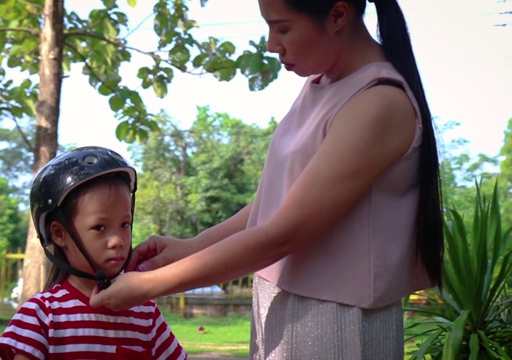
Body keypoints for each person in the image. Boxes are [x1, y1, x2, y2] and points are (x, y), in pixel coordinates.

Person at [90, 0, 444, 359]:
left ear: (338, 15)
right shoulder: (320, 85)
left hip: (336, 322)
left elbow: (284, 233)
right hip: (283, 306)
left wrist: (151, 284)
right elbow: (271, 205)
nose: (272, 45)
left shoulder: (378, 102)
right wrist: (191, 246)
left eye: (283, 28)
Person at [0, 146, 187, 360]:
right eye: (100, 228)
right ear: (59, 233)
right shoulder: (41, 316)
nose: (117, 241)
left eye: (125, 224)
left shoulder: (146, 313)